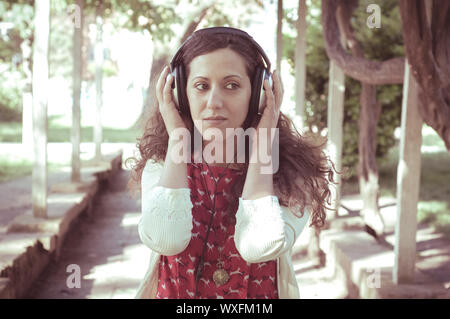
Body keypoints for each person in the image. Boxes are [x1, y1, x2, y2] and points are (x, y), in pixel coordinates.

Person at [127, 27, 335, 299]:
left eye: (232, 85)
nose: (214, 102)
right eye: (201, 86)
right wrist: (178, 138)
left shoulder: (292, 174)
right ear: (180, 95)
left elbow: (259, 246)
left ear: (260, 93)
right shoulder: (162, 167)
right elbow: (167, 239)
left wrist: (264, 140)